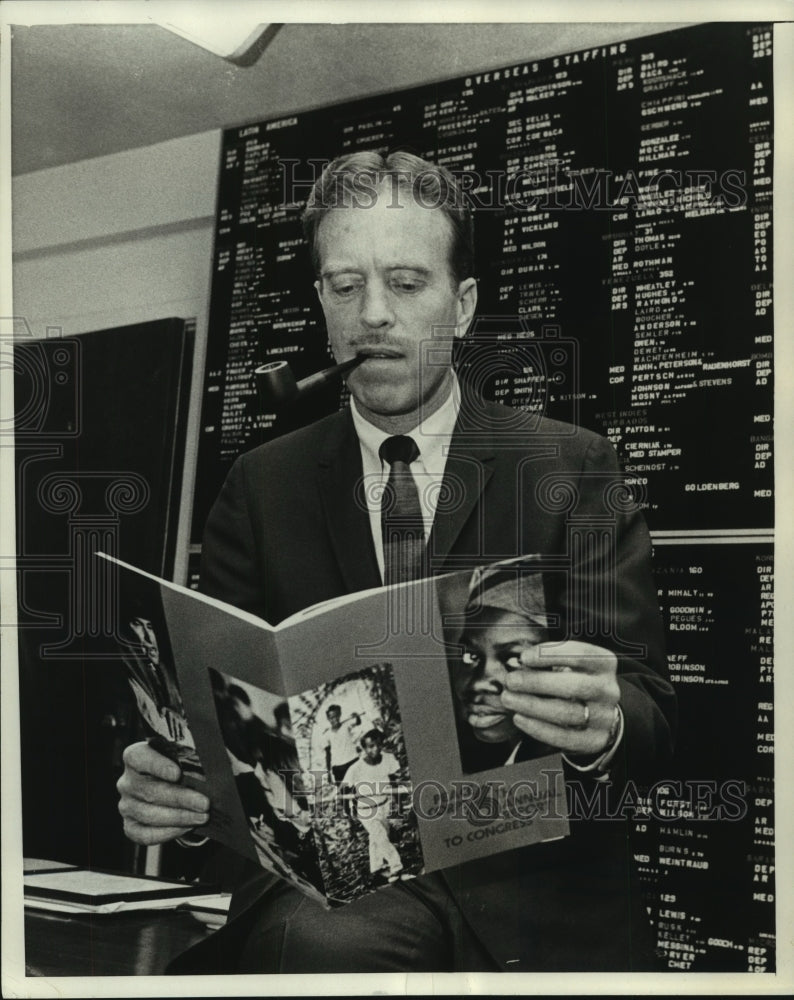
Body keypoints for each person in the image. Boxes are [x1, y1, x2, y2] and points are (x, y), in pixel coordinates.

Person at [117, 149, 676, 973]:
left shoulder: (572, 466)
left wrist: (607, 723)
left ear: (465, 304)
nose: (372, 315)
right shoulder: (260, 484)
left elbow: (656, 717)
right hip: (330, 906)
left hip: (534, 898)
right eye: (345, 287)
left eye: (407, 284)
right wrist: (185, 793)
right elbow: (218, 717)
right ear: (322, 303)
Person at [341, 730, 404, 885]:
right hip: (366, 810)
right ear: (364, 748)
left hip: (384, 804)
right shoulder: (356, 768)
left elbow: (395, 781)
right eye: (369, 746)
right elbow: (344, 789)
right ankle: (397, 866)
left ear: (381, 744)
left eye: (377, 745)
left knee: (377, 839)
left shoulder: (388, 759)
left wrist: (399, 806)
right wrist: (348, 809)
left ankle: (376, 871)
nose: (374, 749)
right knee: (381, 837)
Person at [323, 704, 364, 783]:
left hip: (353, 761)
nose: (334, 719)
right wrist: (328, 773)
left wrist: (356, 715)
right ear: (328, 719)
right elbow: (328, 755)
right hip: (338, 767)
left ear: (340, 715)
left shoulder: (346, 725)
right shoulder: (327, 734)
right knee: (343, 793)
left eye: (336, 716)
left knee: (360, 788)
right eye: (331, 718)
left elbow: (358, 722)